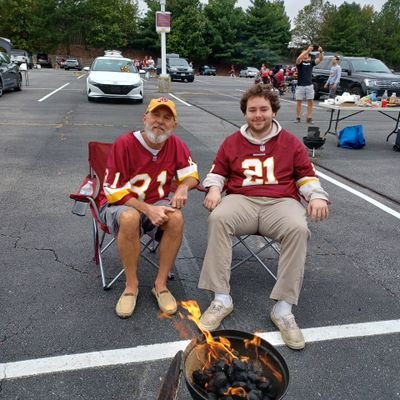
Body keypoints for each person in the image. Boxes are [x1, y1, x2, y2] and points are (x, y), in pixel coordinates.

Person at [197, 84, 329, 350]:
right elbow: (218, 172)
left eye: (263, 109)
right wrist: (213, 189)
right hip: (241, 199)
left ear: (273, 111)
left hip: (280, 202)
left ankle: (283, 308)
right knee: (218, 218)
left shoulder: (290, 142)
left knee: (298, 228)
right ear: (245, 113)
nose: (258, 115)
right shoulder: (232, 141)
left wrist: (316, 195)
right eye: (252, 110)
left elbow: (306, 175)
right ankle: (221, 298)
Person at [99, 97, 199, 319]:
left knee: (176, 218)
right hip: (121, 204)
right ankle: (131, 286)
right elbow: (113, 191)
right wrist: (147, 209)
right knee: (129, 218)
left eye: (166, 118)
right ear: (145, 117)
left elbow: (191, 175)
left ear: (174, 125)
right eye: (155, 115)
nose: (160, 122)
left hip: (157, 202)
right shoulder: (124, 143)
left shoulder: (176, 145)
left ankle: (160, 285)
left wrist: (183, 188)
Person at [295, 44, 324, 123]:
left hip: (309, 85)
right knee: (299, 102)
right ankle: (298, 117)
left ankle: (309, 117)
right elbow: (298, 59)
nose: (305, 55)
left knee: (310, 101)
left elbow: (320, 59)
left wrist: (321, 52)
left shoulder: (311, 62)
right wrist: (307, 50)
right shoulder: (300, 63)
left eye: (306, 54)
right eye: (304, 53)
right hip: (300, 85)